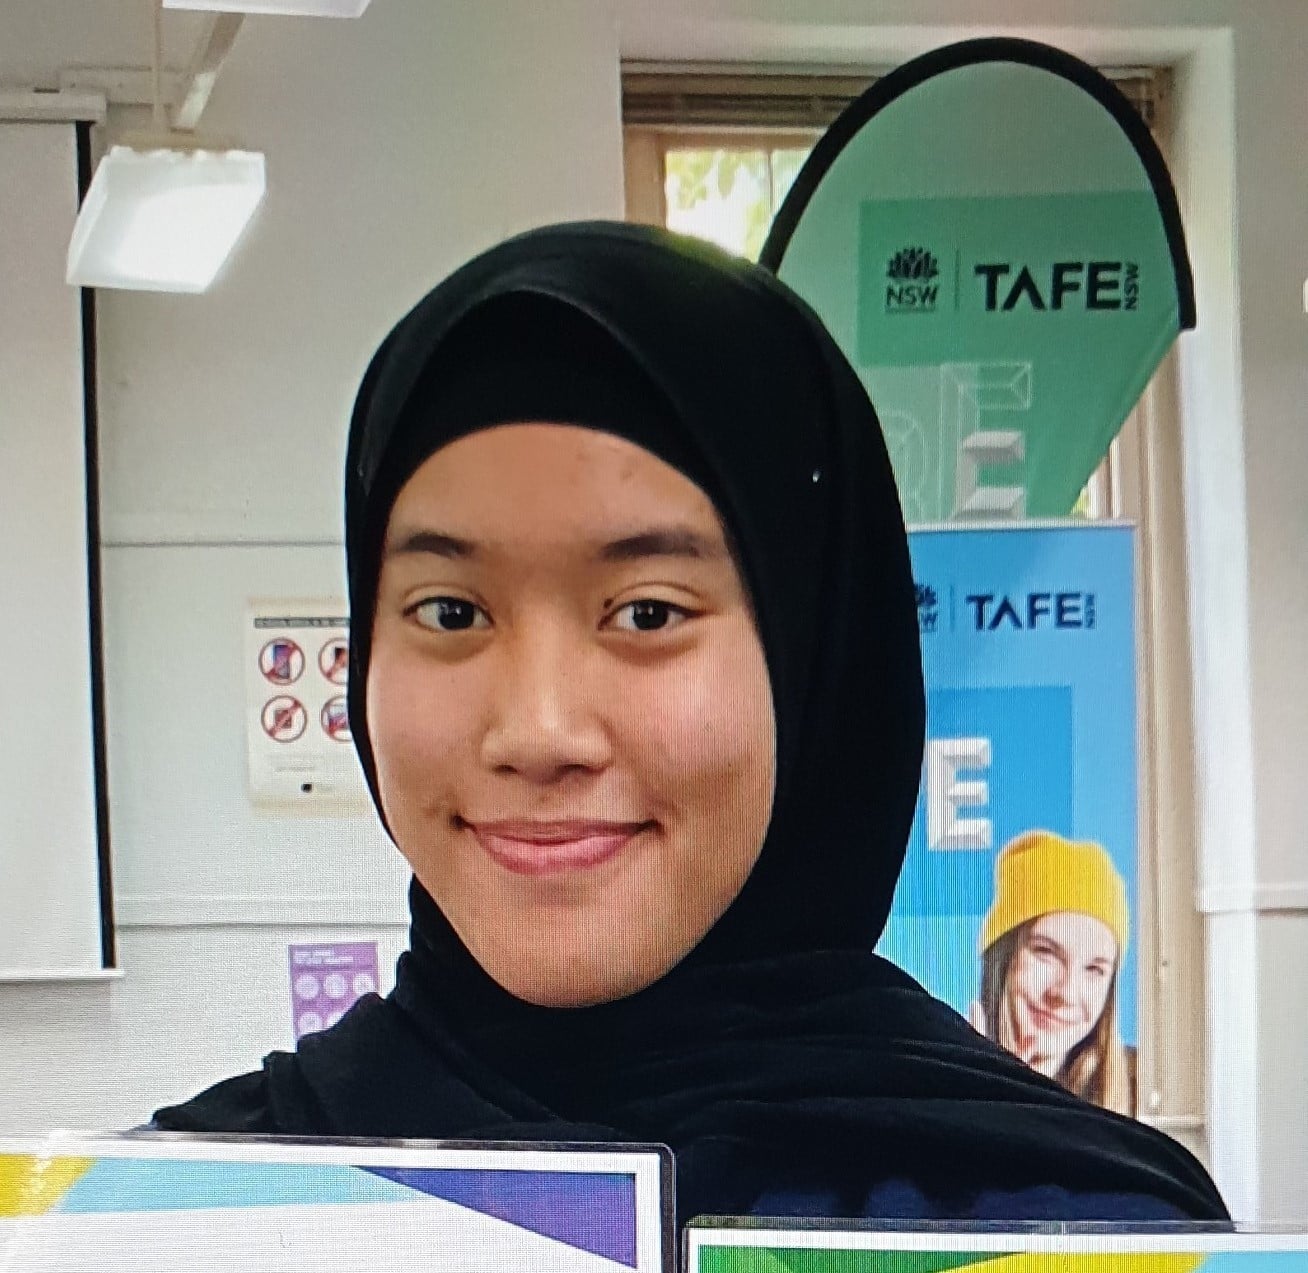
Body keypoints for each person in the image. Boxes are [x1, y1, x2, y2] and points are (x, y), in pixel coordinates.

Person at [153, 222, 1226, 1222]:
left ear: (815, 664)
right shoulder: (200, 1214)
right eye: (450, 611)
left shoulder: (1073, 1223)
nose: (537, 729)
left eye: (647, 612)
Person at [968, 831, 1136, 1115]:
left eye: (1095, 969)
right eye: (1045, 952)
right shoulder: (934, 1077)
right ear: (1001, 960)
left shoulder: (1141, 1092)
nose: (1066, 993)